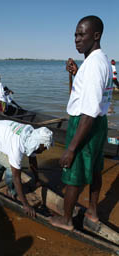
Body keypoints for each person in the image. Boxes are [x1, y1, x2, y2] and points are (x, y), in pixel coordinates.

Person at [48, 16, 113, 231]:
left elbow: (89, 109)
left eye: (81, 34)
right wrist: (76, 73)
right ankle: (93, 211)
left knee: (74, 171)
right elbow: (90, 92)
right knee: (94, 169)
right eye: (75, 34)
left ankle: (66, 220)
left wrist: (71, 148)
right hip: (98, 123)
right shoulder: (98, 60)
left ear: (96, 35)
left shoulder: (93, 65)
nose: (76, 39)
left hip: (85, 122)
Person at [0, 120, 53, 217]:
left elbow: (32, 159)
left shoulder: (32, 136)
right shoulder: (17, 147)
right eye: (44, 148)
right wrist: (25, 204)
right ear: (38, 145)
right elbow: (16, 177)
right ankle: (11, 191)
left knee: (2, 159)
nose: (44, 151)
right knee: (10, 167)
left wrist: (37, 179)